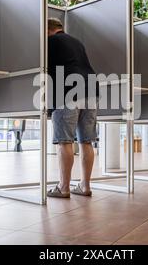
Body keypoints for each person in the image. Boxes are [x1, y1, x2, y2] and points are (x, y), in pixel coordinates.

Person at [46, 18, 99, 198]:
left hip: (67, 90)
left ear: (48, 30)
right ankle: (85, 186)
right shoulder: (77, 42)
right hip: (91, 90)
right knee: (86, 141)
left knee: (65, 141)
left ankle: (64, 187)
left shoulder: (50, 42)